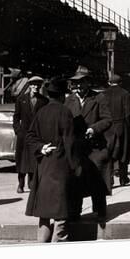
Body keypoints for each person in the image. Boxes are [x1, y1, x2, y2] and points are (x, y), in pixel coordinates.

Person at [25, 78, 80, 242]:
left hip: (43, 166)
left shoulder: (41, 112)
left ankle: (41, 246)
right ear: (62, 95)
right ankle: (57, 248)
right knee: (60, 213)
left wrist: (41, 147)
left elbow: (30, 136)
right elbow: (70, 142)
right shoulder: (65, 112)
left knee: (44, 212)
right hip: (60, 166)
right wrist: (76, 166)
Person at [64, 66, 112, 222]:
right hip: (77, 147)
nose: (77, 86)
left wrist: (94, 129)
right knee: (76, 180)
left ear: (88, 83)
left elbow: (107, 120)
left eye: (81, 83)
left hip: (94, 147)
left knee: (97, 179)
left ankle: (100, 211)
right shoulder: (69, 100)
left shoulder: (99, 98)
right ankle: (74, 211)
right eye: (75, 83)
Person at [12, 75, 48, 194]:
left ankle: (32, 184)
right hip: (23, 135)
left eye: (38, 84)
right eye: (33, 84)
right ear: (29, 86)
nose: (35, 87)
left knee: (34, 159)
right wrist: (18, 130)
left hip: (37, 135)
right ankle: (20, 184)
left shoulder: (44, 101)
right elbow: (16, 116)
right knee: (21, 160)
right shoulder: (21, 99)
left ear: (40, 86)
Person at [103, 74, 130, 186]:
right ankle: (123, 178)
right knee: (123, 152)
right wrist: (129, 125)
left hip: (107, 126)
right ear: (120, 82)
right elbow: (128, 113)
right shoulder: (125, 94)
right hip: (122, 125)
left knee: (109, 152)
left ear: (109, 82)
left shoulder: (103, 94)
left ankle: (109, 179)